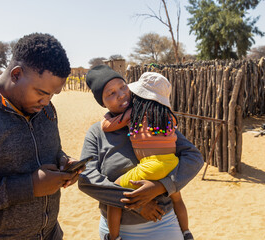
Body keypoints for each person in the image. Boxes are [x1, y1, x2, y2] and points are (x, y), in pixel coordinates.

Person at [0, 33, 81, 239]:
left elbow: (44, 151)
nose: (47, 101)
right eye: (41, 93)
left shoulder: (45, 109)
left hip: (50, 233)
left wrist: (62, 161)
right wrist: (28, 187)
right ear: (16, 74)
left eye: (53, 95)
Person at [79, 65, 204, 240]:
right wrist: (136, 204)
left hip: (162, 224)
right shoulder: (97, 133)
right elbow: (86, 179)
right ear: (102, 102)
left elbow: (194, 158)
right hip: (117, 228)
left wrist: (162, 186)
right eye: (111, 93)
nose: (121, 94)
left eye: (123, 87)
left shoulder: (153, 119)